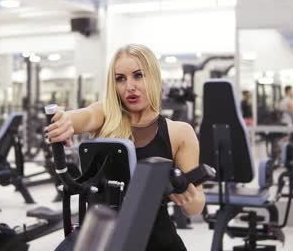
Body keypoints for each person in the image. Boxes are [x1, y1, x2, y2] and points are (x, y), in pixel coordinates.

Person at [45, 44, 205, 251]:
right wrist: (65, 120)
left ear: (154, 77)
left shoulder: (180, 133)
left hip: (156, 240)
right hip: (102, 236)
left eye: (138, 75)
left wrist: (186, 194)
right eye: (120, 79)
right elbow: (83, 117)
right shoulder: (104, 116)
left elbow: (196, 207)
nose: (129, 86)